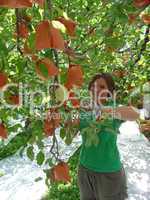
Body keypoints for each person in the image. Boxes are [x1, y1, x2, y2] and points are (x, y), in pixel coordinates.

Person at [65, 73, 139, 200]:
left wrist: (101, 110)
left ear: (109, 92)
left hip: (109, 172)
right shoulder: (84, 110)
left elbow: (135, 114)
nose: (96, 89)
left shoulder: (113, 109)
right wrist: (66, 120)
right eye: (93, 86)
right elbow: (71, 132)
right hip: (85, 169)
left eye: (102, 86)